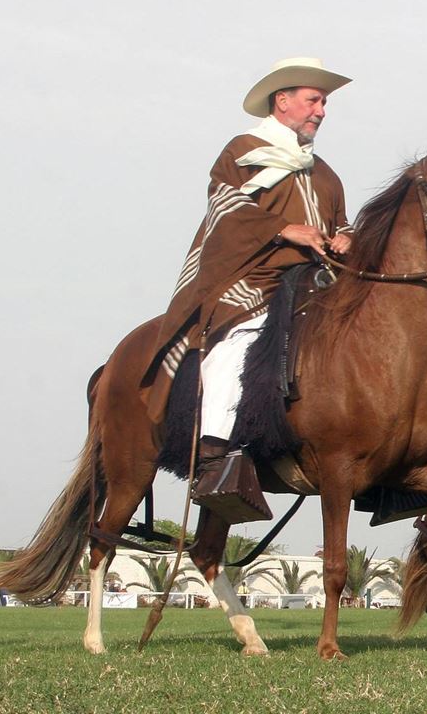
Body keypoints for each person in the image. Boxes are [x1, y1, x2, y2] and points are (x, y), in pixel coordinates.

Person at [140, 57, 353, 524]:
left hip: (315, 287)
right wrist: (283, 230)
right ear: (283, 101)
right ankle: (215, 453)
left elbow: (343, 222)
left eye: (324, 103)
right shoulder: (243, 149)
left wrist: (346, 238)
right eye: (314, 100)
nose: (321, 111)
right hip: (255, 281)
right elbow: (226, 207)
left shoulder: (326, 174)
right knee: (238, 342)